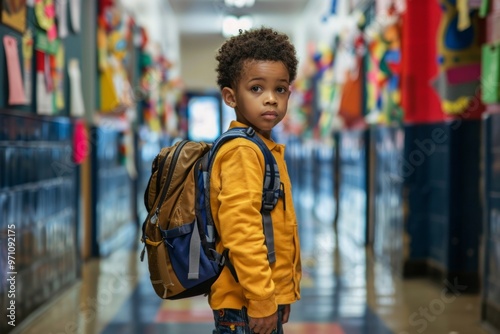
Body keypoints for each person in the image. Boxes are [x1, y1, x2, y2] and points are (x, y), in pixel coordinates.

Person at [209, 27, 302, 334]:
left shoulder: (262, 147)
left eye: (280, 89)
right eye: (257, 89)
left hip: (258, 296)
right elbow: (242, 232)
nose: (271, 100)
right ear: (230, 96)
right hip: (245, 304)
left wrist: (280, 293)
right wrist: (263, 300)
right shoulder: (242, 152)